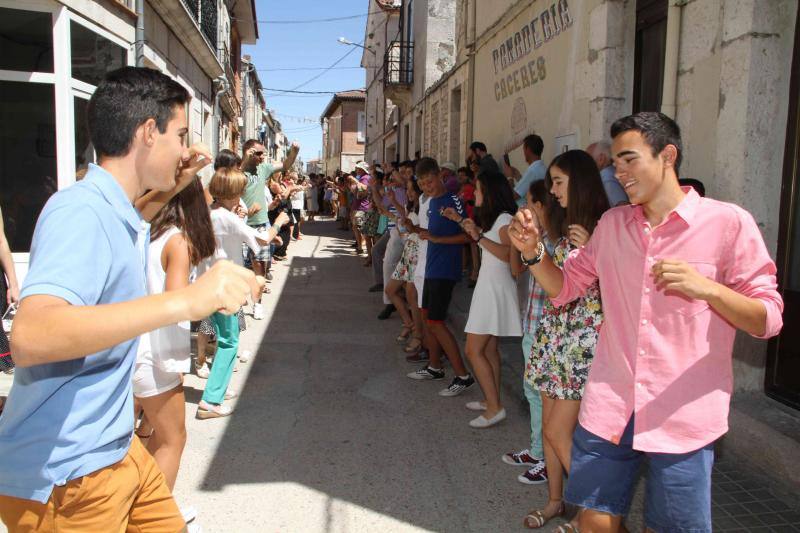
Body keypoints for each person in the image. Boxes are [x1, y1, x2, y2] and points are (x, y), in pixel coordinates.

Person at [0, 66, 262, 532]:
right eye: (180, 135)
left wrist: (176, 184)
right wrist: (187, 301)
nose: (187, 149)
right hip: (68, 479)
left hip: (116, 452)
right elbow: (31, 335)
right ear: (147, 132)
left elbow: (134, 223)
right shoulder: (80, 210)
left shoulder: (114, 207)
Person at [510, 112, 783, 533]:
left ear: (667, 155)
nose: (619, 172)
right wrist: (533, 253)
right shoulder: (614, 224)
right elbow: (565, 288)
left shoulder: (727, 223)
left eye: (629, 160)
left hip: (683, 413)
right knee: (595, 521)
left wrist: (709, 289)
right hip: (610, 404)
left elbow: (769, 317)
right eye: (615, 163)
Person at [516, 150, 609, 530]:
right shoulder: (570, 224)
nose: (552, 190)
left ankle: (600, 514)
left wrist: (593, 250)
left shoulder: (607, 226)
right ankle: (556, 501)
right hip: (556, 338)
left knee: (557, 431)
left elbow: (619, 290)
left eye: (558, 181)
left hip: (581, 344)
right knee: (552, 432)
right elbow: (555, 278)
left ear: (580, 182)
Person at [132, 176, 215, 507]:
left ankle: (137, 509)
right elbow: (177, 301)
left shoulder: (143, 233)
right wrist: (212, 294)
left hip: (132, 346)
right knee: (172, 439)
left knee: (140, 437)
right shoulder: (177, 241)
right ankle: (154, 518)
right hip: (155, 352)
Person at [198, 167, 289, 419]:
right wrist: (279, 224)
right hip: (224, 286)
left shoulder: (212, 213)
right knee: (229, 342)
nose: (242, 196)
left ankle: (219, 387)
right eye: (240, 191)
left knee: (224, 338)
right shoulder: (225, 217)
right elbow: (259, 241)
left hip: (212, 284)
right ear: (231, 193)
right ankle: (210, 400)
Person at [444, 169, 521, 428]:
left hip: (494, 290)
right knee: (488, 349)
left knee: (473, 350)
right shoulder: (497, 220)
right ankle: (492, 400)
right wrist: (465, 224)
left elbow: (509, 256)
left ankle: (495, 407)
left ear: (489, 192)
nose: (474, 192)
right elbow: (487, 245)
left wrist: (477, 236)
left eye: (477, 188)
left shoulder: (505, 220)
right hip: (490, 287)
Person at [503, 179, 561, 485]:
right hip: (533, 324)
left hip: (546, 329)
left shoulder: (556, 241)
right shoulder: (540, 238)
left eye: (529, 202)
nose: (524, 208)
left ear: (540, 205)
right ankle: (538, 450)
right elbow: (516, 270)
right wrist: (519, 242)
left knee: (541, 397)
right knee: (532, 393)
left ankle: (546, 458)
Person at [407, 157, 475, 397]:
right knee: (428, 319)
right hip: (430, 269)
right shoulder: (432, 202)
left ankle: (463, 375)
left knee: (436, 322)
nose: (428, 187)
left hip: (445, 271)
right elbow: (432, 234)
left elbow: (468, 236)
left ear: (440, 176)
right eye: (423, 184)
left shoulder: (452, 200)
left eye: (430, 181)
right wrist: (416, 230)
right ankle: (435, 367)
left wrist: (437, 239)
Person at [240, 138, 299, 318]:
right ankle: (239, 304)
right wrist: (244, 160)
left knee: (260, 266)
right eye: (258, 153)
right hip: (241, 225)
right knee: (240, 267)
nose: (262, 157)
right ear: (248, 152)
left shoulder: (263, 169)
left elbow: (285, 164)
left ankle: (257, 303)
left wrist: (294, 152)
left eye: (263, 153)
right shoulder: (239, 171)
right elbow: (233, 176)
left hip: (261, 225)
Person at [586, 140, 629, 206]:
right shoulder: (612, 172)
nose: (586, 164)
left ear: (601, 159)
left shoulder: (606, 176)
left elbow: (623, 205)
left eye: (589, 159)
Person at [513, 134, 546, 206]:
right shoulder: (541, 167)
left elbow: (514, 196)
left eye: (523, 149)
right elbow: (527, 186)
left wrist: (509, 178)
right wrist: (517, 175)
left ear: (528, 150)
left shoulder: (533, 170)